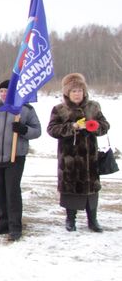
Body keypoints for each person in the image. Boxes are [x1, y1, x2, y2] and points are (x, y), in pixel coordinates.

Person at [0, 79, 42, 240]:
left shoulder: (24, 109)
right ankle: (3, 222)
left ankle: (15, 226)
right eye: (1, 91)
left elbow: (37, 130)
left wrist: (24, 130)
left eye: (7, 91)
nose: (4, 94)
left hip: (16, 156)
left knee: (12, 191)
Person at [47, 73, 110, 232]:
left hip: (90, 159)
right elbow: (52, 130)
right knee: (70, 189)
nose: (77, 94)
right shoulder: (59, 109)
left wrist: (94, 126)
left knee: (91, 190)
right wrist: (72, 127)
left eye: (79, 90)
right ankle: (70, 219)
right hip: (69, 159)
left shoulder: (93, 107)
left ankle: (92, 220)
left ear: (84, 92)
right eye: (73, 91)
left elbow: (105, 126)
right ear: (67, 93)